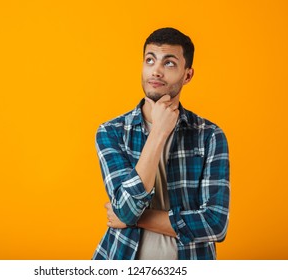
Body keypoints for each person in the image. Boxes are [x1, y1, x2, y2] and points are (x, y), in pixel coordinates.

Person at [92, 27, 230, 260]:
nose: (156, 71)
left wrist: (135, 218)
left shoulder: (210, 135)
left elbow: (215, 223)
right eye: (150, 60)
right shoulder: (111, 132)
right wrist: (158, 133)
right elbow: (126, 208)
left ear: (187, 75)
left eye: (169, 63)